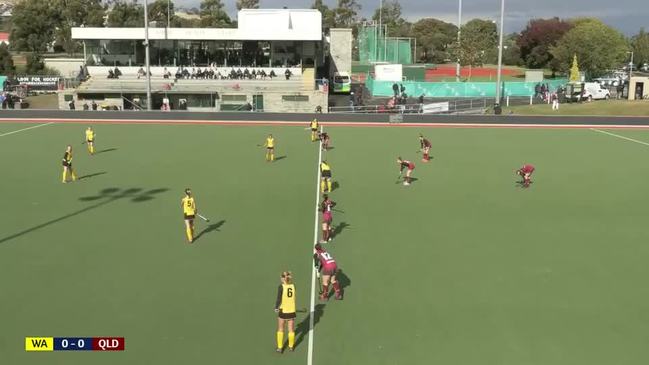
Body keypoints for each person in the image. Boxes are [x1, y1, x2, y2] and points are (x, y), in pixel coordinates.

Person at [274, 271, 296, 353]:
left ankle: (280, 347)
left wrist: (276, 307)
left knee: (281, 329)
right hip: (292, 311)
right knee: (291, 330)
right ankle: (291, 347)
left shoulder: (281, 287)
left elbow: (279, 299)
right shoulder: (293, 286)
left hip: (283, 311)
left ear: (283, 278)